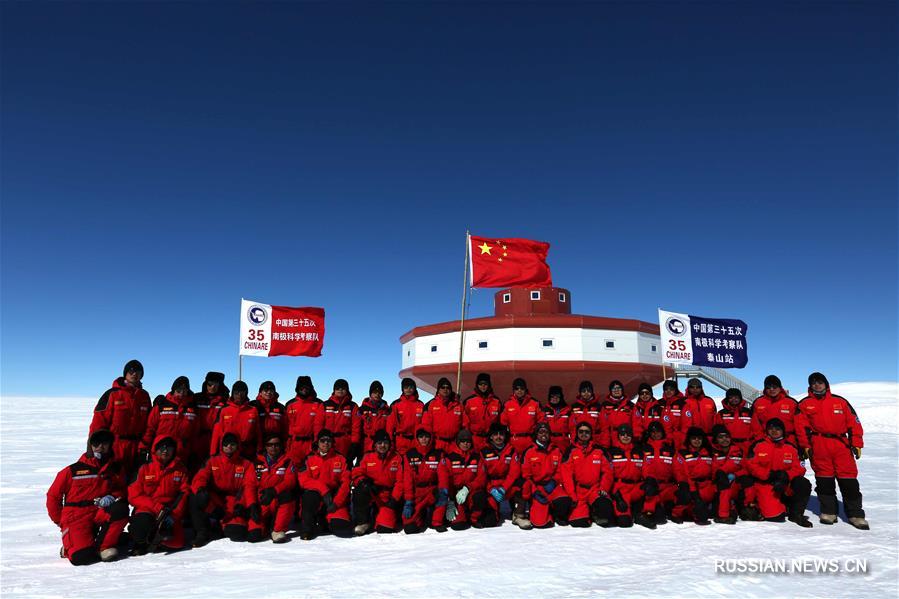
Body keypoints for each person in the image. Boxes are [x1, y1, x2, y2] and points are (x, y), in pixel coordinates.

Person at [796, 372, 868, 529]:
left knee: (848, 480)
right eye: (814, 383)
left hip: (841, 445)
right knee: (824, 480)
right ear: (810, 386)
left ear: (826, 384)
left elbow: (854, 423)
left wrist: (856, 443)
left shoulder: (840, 402)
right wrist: (806, 446)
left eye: (820, 382)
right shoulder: (804, 404)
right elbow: (800, 427)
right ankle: (829, 512)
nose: (817, 385)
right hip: (819, 445)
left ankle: (855, 514)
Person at [46, 429, 129, 565]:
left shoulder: (115, 469)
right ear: (90, 445)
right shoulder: (72, 470)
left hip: (98, 512)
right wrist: (61, 521)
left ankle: (103, 547)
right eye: (96, 443)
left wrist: (112, 497)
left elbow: (121, 490)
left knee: (120, 509)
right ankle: (69, 546)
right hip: (76, 517)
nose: (100, 447)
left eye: (105, 443)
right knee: (82, 557)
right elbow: (53, 497)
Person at [190, 433, 260, 546]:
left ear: (238, 446)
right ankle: (202, 532)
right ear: (221, 446)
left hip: (234, 501)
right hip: (215, 499)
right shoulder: (212, 461)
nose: (229, 447)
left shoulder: (246, 464)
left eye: (232, 444)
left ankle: (219, 525)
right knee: (195, 496)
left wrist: (251, 504)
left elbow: (249, 486)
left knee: (237, 533)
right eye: (226, 444)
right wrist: (200, 489)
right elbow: (200, 477)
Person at [128, 436, 190, 554]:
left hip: (169, 511)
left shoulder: (181, 469)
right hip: (147, 508)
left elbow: (184, 492)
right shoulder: (144, 468)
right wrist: (157, 507)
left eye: (169, 448)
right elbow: (134, 495)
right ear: (155, 450)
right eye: (162, 448)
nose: (165, 451)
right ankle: (141, 540)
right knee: (141, 528)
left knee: (177, 544)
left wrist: (174, 514)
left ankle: (155, 540)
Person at [745, 418, 812, 527]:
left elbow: (800, 467)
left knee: (802, 483)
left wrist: (786, 476)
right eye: (771, 429)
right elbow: (751, 465)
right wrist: (769, 475)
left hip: (785, 483)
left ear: (783, 431)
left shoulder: (791, 448)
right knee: (775, 516)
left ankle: (796, 514)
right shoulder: (758, 445)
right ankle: (772, 505)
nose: (774, 431)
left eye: (778, 429)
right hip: (766, 483)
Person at [89, 359, 152, 473]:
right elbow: (99, 422)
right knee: (114, 481)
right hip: (114, 446)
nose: (134, 374)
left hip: (137, 447)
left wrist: (144, 444)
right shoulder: (112, 394)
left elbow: (150, 423)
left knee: (134, 482)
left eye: (138, 372)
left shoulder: (144, 396)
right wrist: (95, 446)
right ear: (125, 374)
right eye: (131, 371)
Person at [296, 429, 352, 540]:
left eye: (328, 440)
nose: (326, 443)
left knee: (342, 528)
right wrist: (323, 489)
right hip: (316, 495)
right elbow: (303, 480)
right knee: (309, 497)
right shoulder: (309, 459)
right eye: (323, 440)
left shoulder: (341, 459)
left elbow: (346, 483)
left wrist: (336, 503)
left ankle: (325, 520)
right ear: (318, 442)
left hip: (334, 497)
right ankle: (307, 529)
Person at [561, 422, 614, 528]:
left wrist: (604, 488)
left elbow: (608, 472)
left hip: (595, 489)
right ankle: (587, 512)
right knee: (578, 523)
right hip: (579, 491)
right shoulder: (571, 451)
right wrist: (572, 495)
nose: (584, 434)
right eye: (581, 431)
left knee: (607, 514)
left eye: (587, 432)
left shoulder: (599, 450)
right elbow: (566, 476)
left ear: (591, 434)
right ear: (576, 433)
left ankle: (595, 511)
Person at [432, 429, 487, 531]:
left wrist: (468, 488)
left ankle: (473, 519)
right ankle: (459, 514)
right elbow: (444, 480)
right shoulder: (449, 458)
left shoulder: (477, 458)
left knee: (480, 497)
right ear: (458, 442)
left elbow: (481, 478)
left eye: (468, 441)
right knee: (458, 526)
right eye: (462, 441)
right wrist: (450, 499)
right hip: (456, 494)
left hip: (470, 491)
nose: (465, 444)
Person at [351, 430, 404, 535]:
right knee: (359, 491)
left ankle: (380, 516)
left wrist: (394, 499)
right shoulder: (367, 456)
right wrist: (363, 482)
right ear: (375, 445)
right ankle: (363, 522)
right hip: (372, 492)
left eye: (385, 443)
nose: (382, 445)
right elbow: (356, 473)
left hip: (388, 496)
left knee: (385, 528)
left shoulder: (397, 458)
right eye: (379, 443)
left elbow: (400, 482)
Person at [519, 422, 572, 529]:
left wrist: (554, 482)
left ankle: (555, 513)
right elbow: (526, 476)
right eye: (541, 432)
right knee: (540, 523)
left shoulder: (556, 450)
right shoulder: (529, 452)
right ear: (536, 434)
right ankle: (542, 509)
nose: (544, 434)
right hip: (537, 488)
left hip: (552, 485)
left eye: (546, 432)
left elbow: (560, 471)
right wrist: (534, 490)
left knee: (564, 500)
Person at [139, 376, 199, 468]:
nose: (181, 393)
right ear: (173, 390)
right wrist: (143, 446)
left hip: (182, 452)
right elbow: (150, 428)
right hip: (161, 449)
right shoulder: (161, 405)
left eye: (184, 390)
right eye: (179, 391)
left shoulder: (193, 408)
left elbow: (195, 433)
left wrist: (194, 452)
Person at [250, 432, 297, 543]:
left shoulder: (287, 461)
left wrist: (274, 490)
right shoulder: (257, 462)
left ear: (280, 446)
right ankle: (265, 526)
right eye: (270, 445)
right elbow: (249, 484)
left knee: (288, 495)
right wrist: (252, 505)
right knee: (254, 536)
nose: (273, 447)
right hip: (262, 500)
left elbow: (290, 481)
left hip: (278, 499)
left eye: (276, 444)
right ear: (266, 446)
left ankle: (278, 530)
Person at [607, 424, 655, 528]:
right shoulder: (611, 452)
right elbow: (608, 476)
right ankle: (627, 512)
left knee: (652, 486)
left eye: (628, 434)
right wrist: (617, 496)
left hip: (636, 488)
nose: (625, 436)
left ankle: (641, 513)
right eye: (622, 434)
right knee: (624, 523)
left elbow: (647, 469)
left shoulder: (639, 451)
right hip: (620, 489)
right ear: (618, 436)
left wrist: (649, 481)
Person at [480, 422, 523, 528]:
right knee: (490, 522)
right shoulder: (484, 451)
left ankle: (518, 513)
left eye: (501, 434)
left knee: (523, 485)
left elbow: (514, 473)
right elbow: (482, 475)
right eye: (495, 434)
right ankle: (494, 511)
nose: (498, 437)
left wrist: (504, 488)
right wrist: (490, 489)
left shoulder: (511, 450)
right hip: (492, 487)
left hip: (507, 485)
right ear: (491, 436)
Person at [709, 425, 752, 525]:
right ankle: (723, 515)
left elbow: (745, 468)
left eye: (727, 436)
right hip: (717, 486)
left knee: (748, 481)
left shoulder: (738, 451)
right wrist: (722, 473)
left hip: (734, 484)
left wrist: (736, 474)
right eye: (721, 437)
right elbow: (712, 471)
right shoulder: (712, 452)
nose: (724, 439)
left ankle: (749, 507)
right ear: (716, 439)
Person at [401, 428, 442, 534]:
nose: (424, 439)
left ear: (430, 438)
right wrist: (409, 500)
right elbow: (407, 479)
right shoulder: (409, 455)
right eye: (421, 437)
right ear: (416, 438)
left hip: (432, 491)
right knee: (410, 528)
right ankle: (422, 515)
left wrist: (444, 491)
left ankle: (431, 515)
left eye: (426, 436)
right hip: (417, 493)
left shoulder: (438, 454)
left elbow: (443, 476)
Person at [672, 427, 714, 525]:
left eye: (699, 438)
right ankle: (676, 514)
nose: (697, 441)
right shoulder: (682, 454)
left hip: (706, 487)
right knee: (685, 494)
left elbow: (714, 470)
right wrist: (693, 491)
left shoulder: (708, 453)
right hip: (690, 487)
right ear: (689, 440)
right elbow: (681, 473)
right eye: (694, 438)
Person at [209, 381, 262, 461]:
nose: (239, 395)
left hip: (247, 452)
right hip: (229, 450)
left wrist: (259, 450)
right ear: (233, 393)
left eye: (242, 392)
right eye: (236, 392)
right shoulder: (224, 410)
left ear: (246, 393)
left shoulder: (253, 410)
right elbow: (217, 433)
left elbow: (258, 433)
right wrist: (213, 453)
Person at [640, 421, 678, 525]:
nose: (655, 434)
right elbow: (643, 467)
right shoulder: (644, 448)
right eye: (652, 432)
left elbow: (677, 468)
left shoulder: (670, 449)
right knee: (659, 519)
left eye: (658, 432)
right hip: (652, 487)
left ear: (662, 433)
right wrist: (648, 479)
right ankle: (648, 513)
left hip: (667, 486)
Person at [285, 375, 324, 467]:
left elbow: (320, 424)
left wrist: (317, 442)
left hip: (311, 443)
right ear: (297, 388)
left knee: (312, 469)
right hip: (294, 444)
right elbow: (285, 425)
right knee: (293, 469)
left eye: (307, 387)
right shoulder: (290, 404)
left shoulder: (319, 404)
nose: (304, 389)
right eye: (302, 387)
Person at [321, 379, 362, 463]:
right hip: (328, 442)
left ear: (347, 390)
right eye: (338, 388)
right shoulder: (325, 405)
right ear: (334, 390)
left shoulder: (353, 406)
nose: (340, 390)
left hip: (345, 443)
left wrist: (354, 443)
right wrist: (318, 440)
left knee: (345, 467)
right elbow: (318, 424)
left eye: (343, 388)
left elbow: (356, 426)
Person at [750, 375, 800, 445]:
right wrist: (760, 440)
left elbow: (799, 425)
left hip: (789, 441)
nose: (771, 389)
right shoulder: (758, 403)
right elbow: (755, 425)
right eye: (768, 387)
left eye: (774, 387)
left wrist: (802, 444)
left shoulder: (792, 403)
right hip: (766, 441)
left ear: (780, 388)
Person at [192, 372, 229, 465]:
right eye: (210, 384)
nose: (212, 387)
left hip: (217, 439)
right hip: (198, 438)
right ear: (205, 385)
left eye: (216, 384)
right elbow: (183, 399)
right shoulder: (197, 398)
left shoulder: (225, 401)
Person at [500, 378, 545, 454]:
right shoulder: (507, 404)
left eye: (522, 388)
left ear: (526, 390)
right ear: (513, 390)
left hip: (530, 441)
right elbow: (503, 424)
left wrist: (536, 437)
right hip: (513, 441)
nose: (519, 391)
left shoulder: (535, 403)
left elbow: (542, 421)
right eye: (517, 389)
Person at [422, 377, 465, 452]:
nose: (445, 389)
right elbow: (426, 426)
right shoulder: (430, 405)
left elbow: (465, 424)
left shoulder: (458, 405)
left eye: (448, 387)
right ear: (438, 389)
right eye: (443, 387)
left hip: (454, 444)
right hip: (437, 443)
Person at [463, 373, 502, 451]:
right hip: (475, 439)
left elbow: (500, 422)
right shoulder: (469, 401)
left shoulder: (496, 401)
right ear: (477, 385)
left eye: (485, 384)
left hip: (491, 441)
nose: (483, 386)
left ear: (489, 385)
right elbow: (464, 422)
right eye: (480, 384)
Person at [387, 378, 425, 456]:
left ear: (414, 389)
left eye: (411, 387)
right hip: (401, 441)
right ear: (402, 389)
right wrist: (390, 442)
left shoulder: (421, 405)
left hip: (416, 441)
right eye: (406, 387)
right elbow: (390, 426)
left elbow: (424, 425)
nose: (408, 389)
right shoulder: (396, 404)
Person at [713, 388, 753, 455]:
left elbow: (757, 430)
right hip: (729, 446)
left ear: (740, 398)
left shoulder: (749, 412)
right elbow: (717, 431)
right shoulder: (721, 414)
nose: (734, 399)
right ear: (727, 399)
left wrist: (755, 444)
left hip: (747, 446)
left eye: (736, 397)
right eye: (731, 397)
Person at [598, 380, 636, 448]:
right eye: (614, 389)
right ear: (610, 391)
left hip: (626, 437)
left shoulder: (630, 405)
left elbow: (636, 422)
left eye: (618, 388)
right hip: (611, 439)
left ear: (622, 390)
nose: (616, 390)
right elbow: (604, 426)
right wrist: (605, 442)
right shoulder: (605, 406)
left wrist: (636, 437)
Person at [359, 381, 391, 453]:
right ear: (370, 394)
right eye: (374, 392)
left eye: (379, 392)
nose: (377, 394)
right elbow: (357, 427)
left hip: (381, 444)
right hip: (366, 444)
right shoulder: (362, 409)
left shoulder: (387, 410)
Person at [568, 380, 601, 447]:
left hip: (595, 442)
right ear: (580, 392)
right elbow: (572, 427)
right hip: (578, 441)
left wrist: (603, 444)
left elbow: (604, 427)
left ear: (592, 392)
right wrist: (574, 441)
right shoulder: (574, 407)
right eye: (583, 391)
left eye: (588, 391)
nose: (586, 393)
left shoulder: (598, 407)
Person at [542, 385, 572, 454]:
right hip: (549, 440)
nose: (554, 398)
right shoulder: (545, 410)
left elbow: (572, 428)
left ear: (561, 397)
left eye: (557, 396)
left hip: (563, 442)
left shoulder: (567, 410)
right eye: (552, 396)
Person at [660, 380, 688, 449]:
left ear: (675, 390)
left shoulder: (682, 404)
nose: (668, 391)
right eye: (666, 389)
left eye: (671, 389)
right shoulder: (659, 403)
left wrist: (681, 439)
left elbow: (687, 424)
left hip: (677, 440)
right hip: (662, 439)